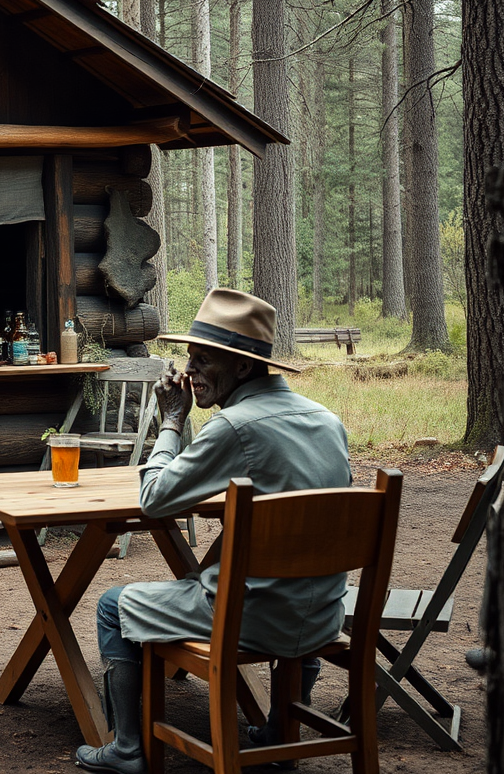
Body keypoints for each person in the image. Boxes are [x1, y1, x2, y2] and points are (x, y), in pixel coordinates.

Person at [74, 288, 353, 774]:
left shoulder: (234, 427)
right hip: (323, 612)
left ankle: (125, 749)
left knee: (112, 604)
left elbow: (155, 499)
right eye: (189, 358)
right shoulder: (328, 420)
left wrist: (173, 421)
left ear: (242, 368)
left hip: (254, 619)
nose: (188, 373)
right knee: (246, 578)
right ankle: (277, 732)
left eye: (203, 362)